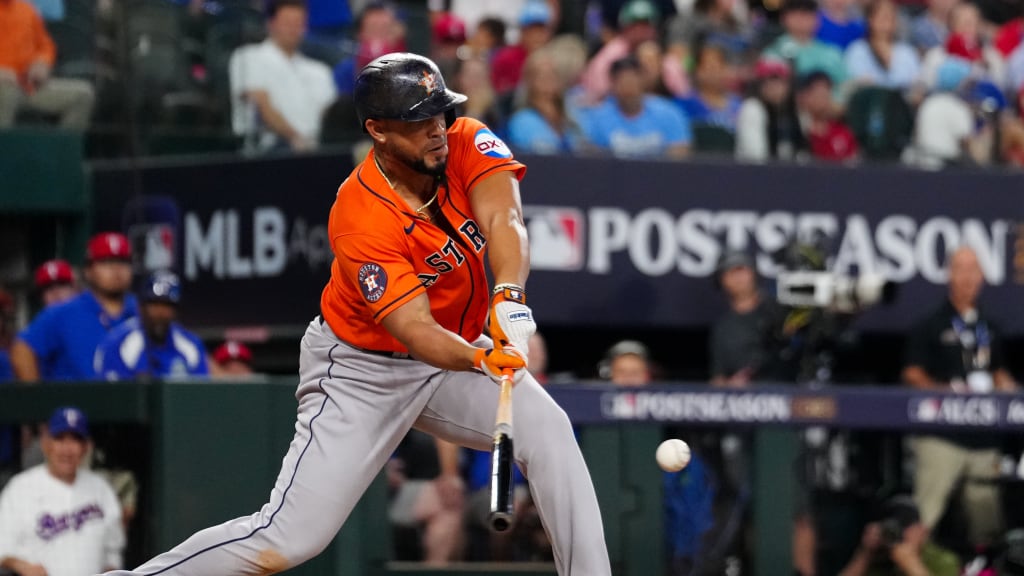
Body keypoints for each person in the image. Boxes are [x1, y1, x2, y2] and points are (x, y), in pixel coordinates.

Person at [102, 52, 611, 575]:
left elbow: (505, 218)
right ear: (379, 130)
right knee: (288, 537)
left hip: (449, 356)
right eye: (419, 120)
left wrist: (508, 296)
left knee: (549, 429)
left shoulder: (464, 140)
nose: (437, 129)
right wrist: (482, 360)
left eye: (440, 112)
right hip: (359, 371)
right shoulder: (360, 213)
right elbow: (414, 330)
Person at [902, 247, 1017, 549]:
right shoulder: (931, 324)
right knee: (924, 518)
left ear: (981, 277)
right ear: (948, 275)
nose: (967, 277)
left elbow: (996, 371)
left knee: (988, 526)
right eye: (960, 269)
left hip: (982, 436)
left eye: (973, 270)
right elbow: (912, 373)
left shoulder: (989, 327)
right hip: (942, 435)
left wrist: (1007, 386)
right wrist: (945, 392)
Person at [0, 407, 125, 576]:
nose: (67, 449)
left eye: (75, 440)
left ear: (86, 447)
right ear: (46, 444)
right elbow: (3, 548)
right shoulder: (20, 487)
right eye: (60, 439)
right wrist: (23, 566)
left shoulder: (101, 489)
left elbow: (113, 553)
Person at [11, 232, 137, 382]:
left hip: (132, 401)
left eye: (123, 262)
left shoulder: (144, 311)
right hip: (77, 402)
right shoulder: (63, 313)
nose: (116, 270)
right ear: (88, 271)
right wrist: (37, 398)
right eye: (107, 263)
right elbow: (22, 350)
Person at [229, 0, 337, 153]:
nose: (293, 29)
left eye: (299, 23)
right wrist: (295, 139)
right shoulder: (248, 57)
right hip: (270, 150)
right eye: (287, 23)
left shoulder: (320, 71)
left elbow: (329, 115)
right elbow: (262, 107)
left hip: (318, 148)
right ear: (271, 24)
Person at [95, 270, 209, 381]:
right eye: (154, 305)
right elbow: (112, 395)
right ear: (141, 307)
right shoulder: (118, 343)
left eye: (167, 306)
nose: (160, 313)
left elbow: (199, 395)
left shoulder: (190, 345)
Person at [0, 0, 95, 129]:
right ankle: (5, 148)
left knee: (83, 95)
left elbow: (45, 45)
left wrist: (42, 62)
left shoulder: (25, 9)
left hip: (28, 85)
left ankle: (62, 148)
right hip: (4, 87)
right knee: (6, 92)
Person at [579, 55, 692, 159]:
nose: (628, 88)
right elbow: (591, 158)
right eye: (622, 82)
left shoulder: (669, 114)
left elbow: (679, 155)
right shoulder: (596, 119)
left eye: (632, 81)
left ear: (643, 81)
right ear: (612, 84)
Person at [838, 496, 960, 576]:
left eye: (905, 527)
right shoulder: (877, 557)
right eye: (893, 528)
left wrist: (911, 563)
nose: (900, 533)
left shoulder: (942, 560)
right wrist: (864, 555)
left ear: (922, 531)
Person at [709, 251, 779, 386]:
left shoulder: (778, 312)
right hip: (742, 401)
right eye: (731, 272)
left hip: (784, 394)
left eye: (742, 270)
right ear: (721, 280)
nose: (738, 277)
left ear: (754, 273)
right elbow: (717, 378)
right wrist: (731, 385)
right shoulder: (722, 328)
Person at [507, 47, 587, 155]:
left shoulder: (573, 116)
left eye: (553, 73)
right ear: (529, 79)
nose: (548, 78)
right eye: (541, 73)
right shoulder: (522, 121)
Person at [763, 0, 847, 91]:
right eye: (797, 14)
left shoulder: (831, 52)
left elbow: (845, 85)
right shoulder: (774, 52)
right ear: (784, 18)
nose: (802, 20)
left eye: (808, 14)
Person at [843, 0, 922, 92]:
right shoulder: (857, 50)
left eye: (889, 17)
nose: (885, 22)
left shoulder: (907, 52)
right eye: (881, 17)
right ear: (870, 19)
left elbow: (917, 84)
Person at [735, 56, 802, 162]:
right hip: (755, 174)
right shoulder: (752, 108)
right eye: (770, 81)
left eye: (780, 82)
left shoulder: (792, 111)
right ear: (760, 85)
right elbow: (756, 156)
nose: (775, 87)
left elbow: (803, 153)